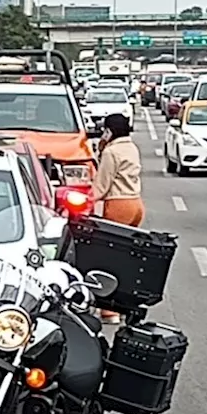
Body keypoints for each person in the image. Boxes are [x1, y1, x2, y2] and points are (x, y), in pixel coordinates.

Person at [90, 112, 143, 324]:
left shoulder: (112, 152)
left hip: (118, 205)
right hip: (136, 204)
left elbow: (101, 187)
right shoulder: (131, 147)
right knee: (126, 259)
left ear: (109, 131)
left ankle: (109, 311)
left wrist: (84, 199)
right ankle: (126, 304)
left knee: (108, 261)